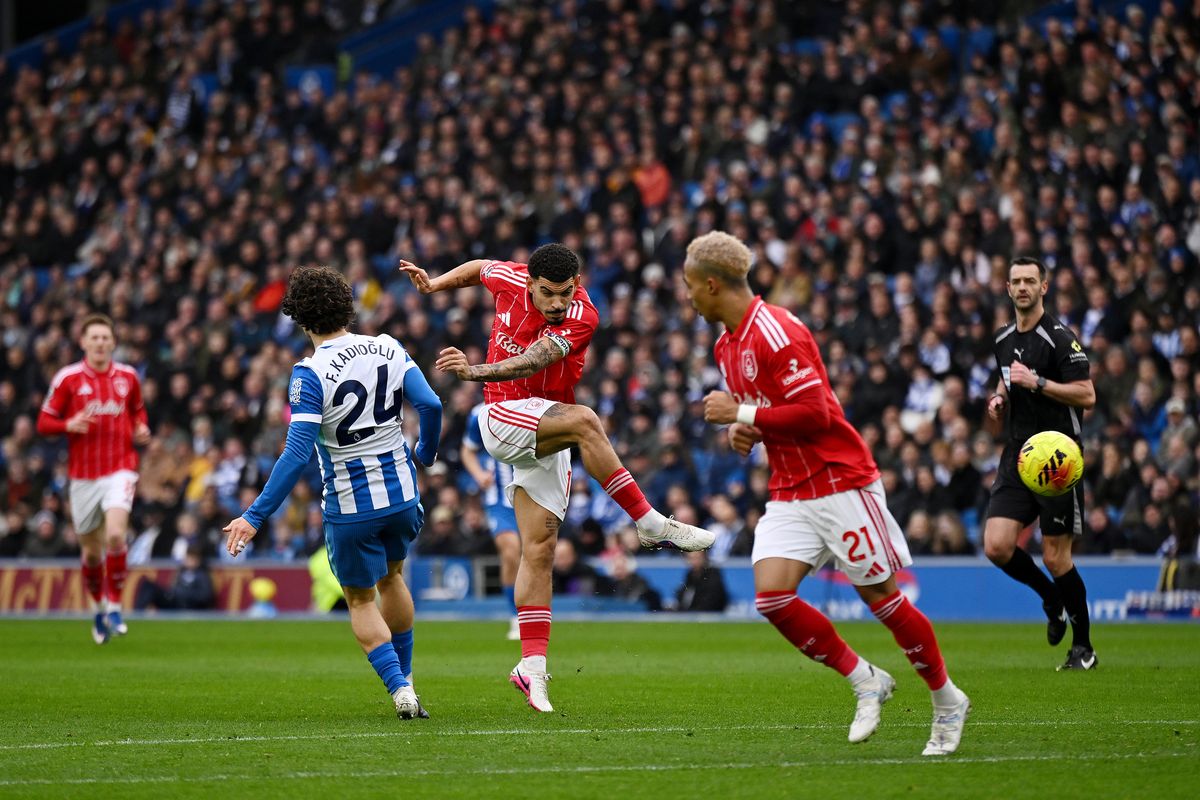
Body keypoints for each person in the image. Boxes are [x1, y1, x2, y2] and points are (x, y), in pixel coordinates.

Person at [684, 231, 969, 756]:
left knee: (880, 596)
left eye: (690, 288)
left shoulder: (777, 331)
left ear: (711, 284)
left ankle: (947, 700)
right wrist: (745, 430)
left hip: (839, 481)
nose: (688, 299)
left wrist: (741, 413)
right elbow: (772, 413)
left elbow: (816, 414)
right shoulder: (727, 345)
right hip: (789, 487)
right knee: (771, 596)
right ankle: (865, 679)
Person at [400, 245, 716, 713]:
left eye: (564, 293)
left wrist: (472, 369)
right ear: (529, 281)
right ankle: (648, 522)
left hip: (544, 426)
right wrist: (436, 283)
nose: (556, 304)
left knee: (541, 549)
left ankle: (531, 666)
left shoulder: (583, 315)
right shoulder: (509, 278)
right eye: (547, 294)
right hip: (502, 415)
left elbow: (533, 360)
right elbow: (478, 269)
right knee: (587, 420)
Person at [222, 266, 443, 720]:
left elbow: (297, 453)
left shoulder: (308, 373)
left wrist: (255, 515)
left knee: (361, 598)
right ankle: (409, 679)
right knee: (394, 578)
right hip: (402, 496)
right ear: (348, 305)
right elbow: (432, 404)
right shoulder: (387, 346)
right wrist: (427, 449)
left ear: (299, 320)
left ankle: (400, 689)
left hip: (350, 504)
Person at [984, 256, 1098, 671]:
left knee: (1056, 557)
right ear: (1007, 287)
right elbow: (1006, 374)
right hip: (1018, 452)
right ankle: (1050, 598)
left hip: (1056, 456)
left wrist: (1041, 383)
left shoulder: (1061, 338)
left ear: (1044, 287)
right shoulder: (1001, 337)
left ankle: (1084, 647)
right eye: (1016, 281)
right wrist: (999, 396)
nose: (1023, 287)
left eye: (1031, 281)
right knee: (996, 546)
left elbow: (1087, 395)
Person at [36, 313, 151, 644]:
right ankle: (99, 607)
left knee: (116, 536)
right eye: (94, 338)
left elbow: (138, 411)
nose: (100, 343)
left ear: (114, 342)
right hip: (83, 476)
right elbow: (43, 422)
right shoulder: (68, 379)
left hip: (121, 467)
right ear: (83, 342)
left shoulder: (128, 377)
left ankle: (115, 605)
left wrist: (142, 428)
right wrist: (66, 425)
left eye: (105, 337)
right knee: (90, 554)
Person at [462, 403, 522, 640]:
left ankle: (535, 614)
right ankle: (515, 616)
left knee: (537, 557)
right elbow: (467, 450)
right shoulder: (479, 413)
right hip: (499, 500)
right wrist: (478, 475)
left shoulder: (531, 404)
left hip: (533, 496)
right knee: (510, 553)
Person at [133, 543, 216, 611]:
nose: (188, 561)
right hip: (173, 600)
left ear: (198, 560)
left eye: (192, 559)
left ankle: (137, 614)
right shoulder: (181, 571)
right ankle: (138, 613)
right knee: (148, 585)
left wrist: (182, 593)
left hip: (186, 605)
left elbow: (205, 596)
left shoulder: (202, 575)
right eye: (188, 557)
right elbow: (173, 587)